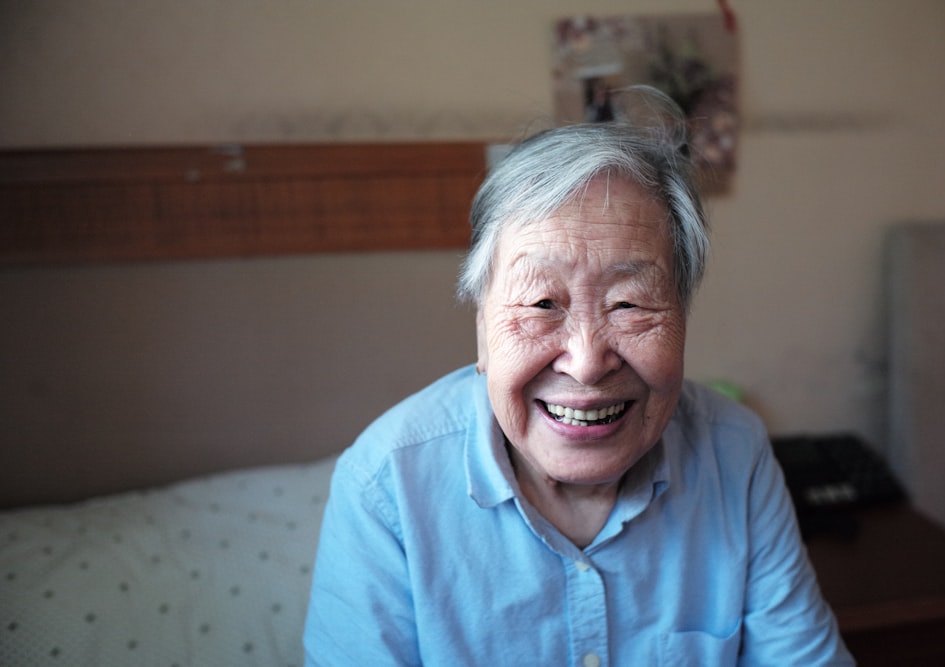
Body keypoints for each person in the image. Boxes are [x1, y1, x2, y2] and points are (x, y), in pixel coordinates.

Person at [303, 86, 854, 666]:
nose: (588, 362)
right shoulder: (385, 487)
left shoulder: (733, 453)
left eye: (631, 304)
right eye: (541, 303)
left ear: (684, 319)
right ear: (482, 330)